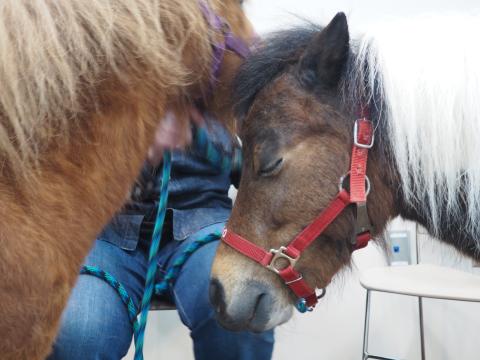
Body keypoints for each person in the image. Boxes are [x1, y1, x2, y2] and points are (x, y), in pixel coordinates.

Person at [48, 110, 275, 360]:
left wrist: (215, 141)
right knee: (78, 333)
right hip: (103, 227)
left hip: (203, 216)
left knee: (240, 309)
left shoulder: (221, 70)